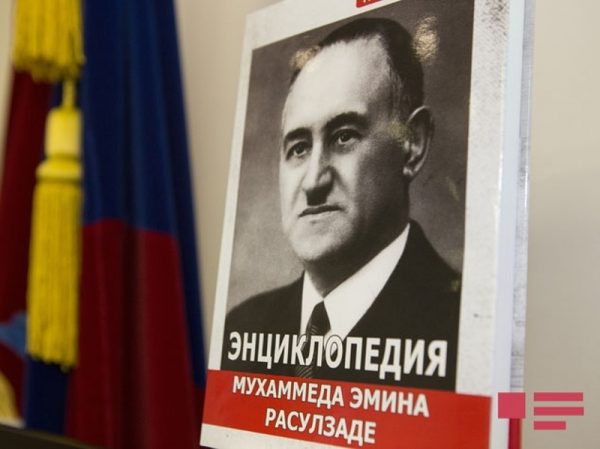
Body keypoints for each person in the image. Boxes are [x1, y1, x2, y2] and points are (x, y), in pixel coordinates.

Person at [222, 18, 461, 390]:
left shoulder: (462, 329)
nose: (314, 181)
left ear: (412, 144)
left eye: (345, 136)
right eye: (298, 148)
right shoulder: (241, 329)